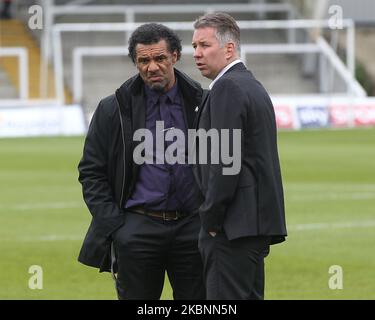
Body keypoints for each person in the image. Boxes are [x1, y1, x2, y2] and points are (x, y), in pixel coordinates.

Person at [78, 23, 205, 300]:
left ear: (175, 56)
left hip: (192, 229)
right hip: (137, 228)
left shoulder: (202, 102)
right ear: (135, 63)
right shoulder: (113, 108)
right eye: (144, 60)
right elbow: (91, 172)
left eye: (160, 58)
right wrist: (116, 225)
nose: (152, 67)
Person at [191, 12, 287, 300]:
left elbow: (224, 161)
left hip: (231, 228)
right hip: (252, 225)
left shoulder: (228, 88)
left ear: (229, 48)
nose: (196, 53)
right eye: (194, 46)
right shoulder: (251, 85)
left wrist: (210, 218)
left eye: (204, 45)